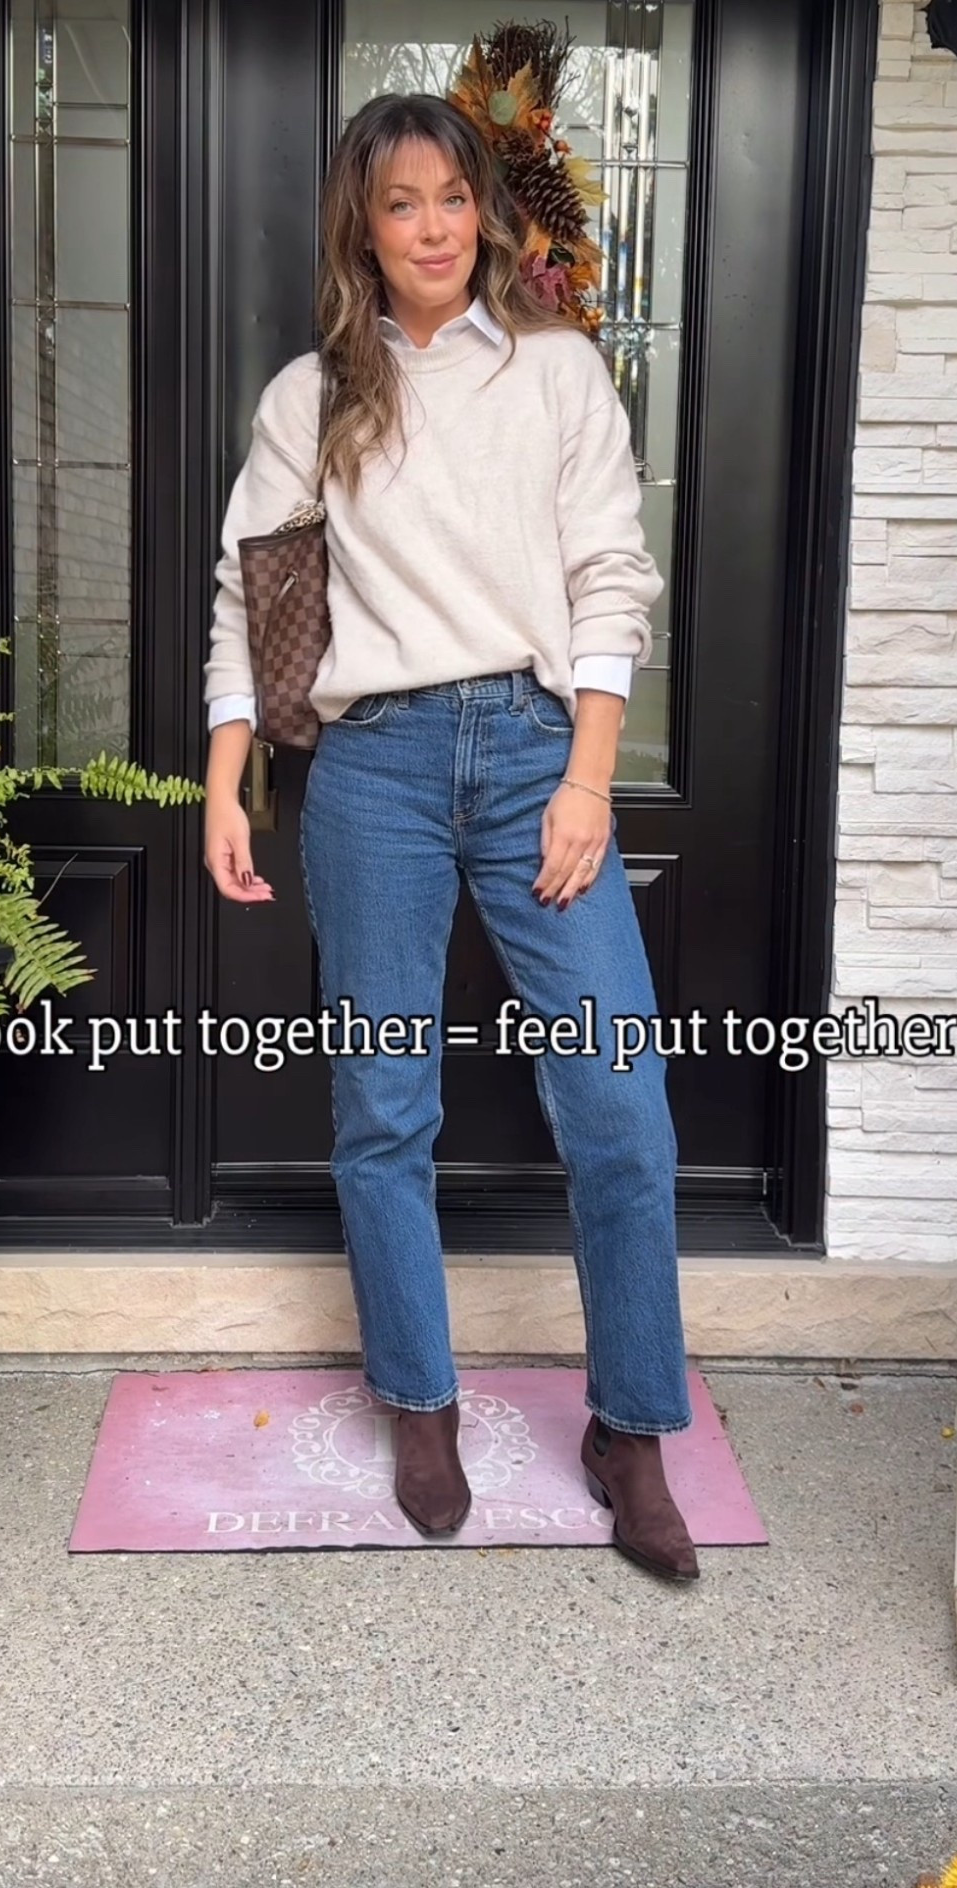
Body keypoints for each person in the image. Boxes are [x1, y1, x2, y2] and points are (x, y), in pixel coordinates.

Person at [202, 91, 698, 1583]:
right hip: (377, 769)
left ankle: (633, 1428)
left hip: (540, 750)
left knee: (619, 1101)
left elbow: (614, 574)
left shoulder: (554, 375)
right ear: (364, 222)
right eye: (401, 203)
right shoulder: (313, 398)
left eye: (452, 199)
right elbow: (255, 601)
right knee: (384, 1106)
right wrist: (229, 779)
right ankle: (419, 1402)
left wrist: (590, 778)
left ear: (484, 210)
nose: (431, 227)